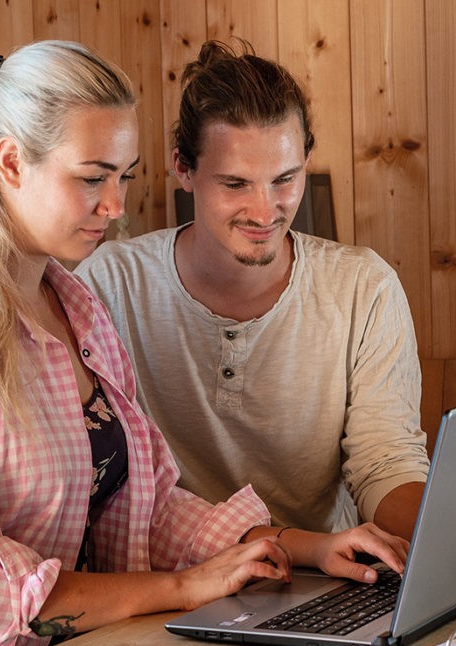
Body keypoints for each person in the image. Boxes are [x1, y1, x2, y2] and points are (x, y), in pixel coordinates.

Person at [0, 40, 406, 646]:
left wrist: (305, 548)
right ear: (12, 162)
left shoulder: (75, 306)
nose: (117, 206)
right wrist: (183, 588)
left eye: (124, 176)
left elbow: (151, 506)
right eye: (92, 177)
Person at [76, 40, 430, 538]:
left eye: (284, 179)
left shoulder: (363, 288)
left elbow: (386, 460)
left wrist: (445, 534)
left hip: (323, 580)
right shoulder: (107, 286)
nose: (266, 213)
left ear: (306, 161)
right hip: (166, 581)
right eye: (236, 184)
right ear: (183, 168)